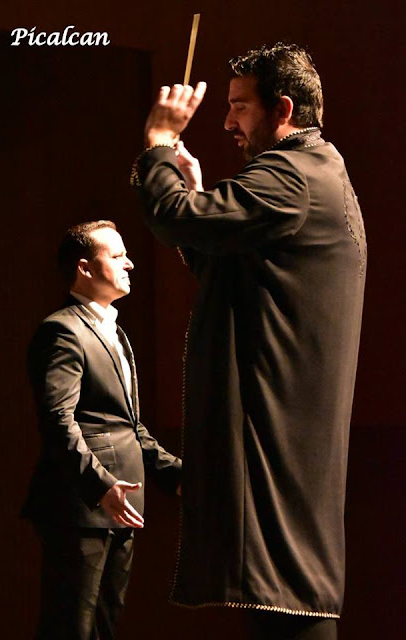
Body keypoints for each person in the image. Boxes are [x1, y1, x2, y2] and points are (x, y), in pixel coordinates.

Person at [132, 43, 366, 639]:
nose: (227, 122)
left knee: (287, 594)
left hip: (277, 427)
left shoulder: (291, 175)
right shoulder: (318, 170)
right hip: (288, 428)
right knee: (283, 592)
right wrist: (196, 190)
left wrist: (158, 144)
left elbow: (174, 217)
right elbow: (225, 260)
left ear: (282, 109)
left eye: (239, 106)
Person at [22, 220, 182, 640]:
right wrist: (100, 486)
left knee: (103, 629)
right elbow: (58, 421)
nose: (130, 263)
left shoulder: (116, 332)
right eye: (116, 255)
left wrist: (177, 475)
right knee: (69, 630)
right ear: (85, 268)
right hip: (81, 507)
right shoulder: (62, 330)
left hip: (120, 506)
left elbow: (128, 426)